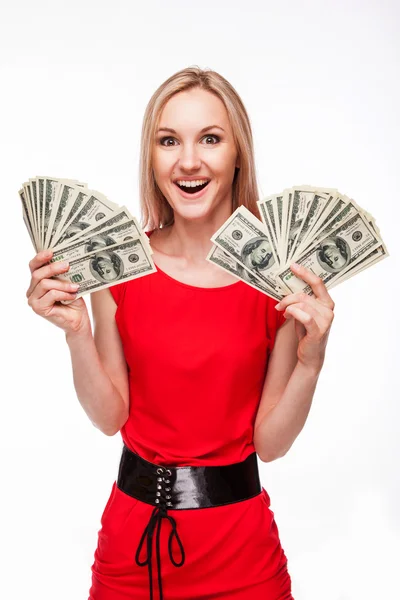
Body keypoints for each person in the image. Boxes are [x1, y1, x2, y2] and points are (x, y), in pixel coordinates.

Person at [26, 66, 335, 600]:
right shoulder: (121, 267)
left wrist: (311, 361)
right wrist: (75, 332)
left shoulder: (275, 282)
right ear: (152, 157)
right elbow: (109, 417)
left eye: (209, 139)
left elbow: (271, 443)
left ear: (238, 153)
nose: (188, 161)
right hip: (133, 552)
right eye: (169, 141)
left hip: (243, 559)